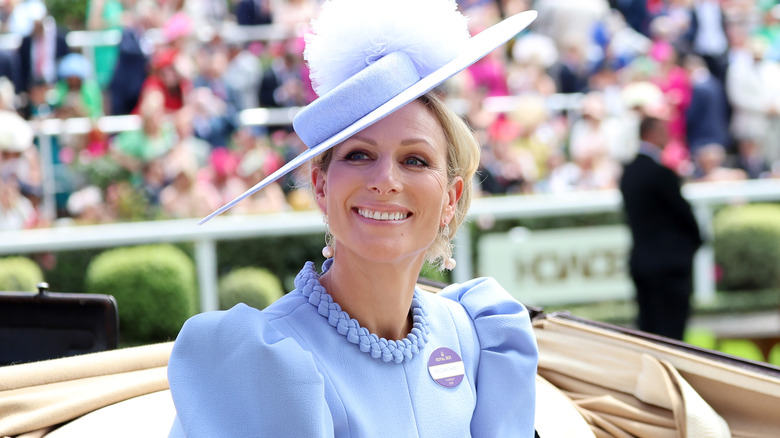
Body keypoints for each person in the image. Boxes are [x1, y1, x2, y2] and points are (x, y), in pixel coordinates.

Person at [167, 1, 539, 436]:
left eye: (415, 160)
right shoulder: (262, 362)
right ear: (321, 187)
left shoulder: (476, 335)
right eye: (359, 155)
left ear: (451, 198)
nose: (386, 181)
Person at [619, 114, 703, 341]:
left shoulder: (628, 173)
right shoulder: (660, 173)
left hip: (643, 263)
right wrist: (692, 244)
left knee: (649, 333)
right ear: (652, 133)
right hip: (669, 267)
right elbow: (685, 217)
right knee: (671, 335)